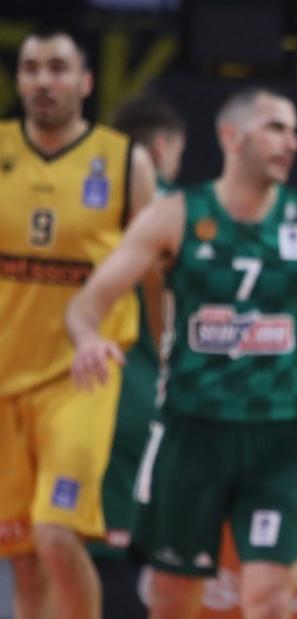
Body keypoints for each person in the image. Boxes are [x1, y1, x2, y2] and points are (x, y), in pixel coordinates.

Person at [66, 87, 297, 619]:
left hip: (279, 434)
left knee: (270, 600)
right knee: (171, 600)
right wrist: (88, 338)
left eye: (294, 130)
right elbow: (87, 304)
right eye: (275, 128)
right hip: (192, 429)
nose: (292, 142)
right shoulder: (175, 216)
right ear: (231, 137)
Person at [0, 29, 156, 619]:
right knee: (23, 558)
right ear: (19, 81)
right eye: (31, 68)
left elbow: (155, 272)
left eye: (58, 68)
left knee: (56, 533)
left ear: (86, 81)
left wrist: (169, 353)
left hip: (81, 377)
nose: (44, 80)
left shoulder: (124, 162)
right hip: (5, 375)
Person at [85, 93, 186, 619]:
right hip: (144, 394)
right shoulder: (178, 212)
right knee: (121, 556)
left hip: (81, 387)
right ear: (163, 147)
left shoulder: (82, 203)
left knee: (80, 554)